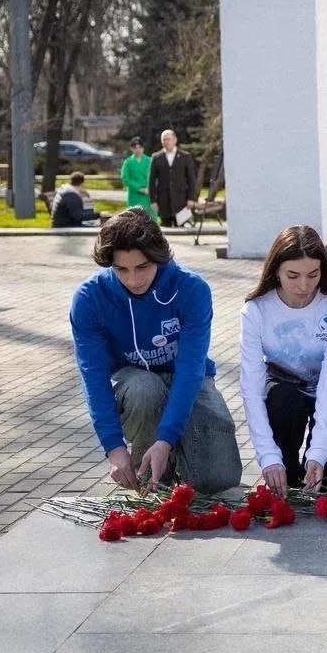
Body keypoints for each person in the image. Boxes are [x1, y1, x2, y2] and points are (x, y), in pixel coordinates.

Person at [70, 207, 242, 494]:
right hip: (135, 381)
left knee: (218, 479)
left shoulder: (192, 289)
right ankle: (149, 472)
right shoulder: (88, 299)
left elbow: (190, 368)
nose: (133, 280)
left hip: (187, 377)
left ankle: (169, 451)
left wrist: (167, 438)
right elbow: (94, 378)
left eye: (143, 267)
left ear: (160, 258)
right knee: (144, 389)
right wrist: (113, 446)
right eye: (121, 269)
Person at [239, 225, 327, 497]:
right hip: (284, 389)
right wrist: (267, 456)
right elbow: (251, 388)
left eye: (312, 275)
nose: (304, 286)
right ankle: (287, 462)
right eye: (293, 275)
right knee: (286, 480)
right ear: (276, 272)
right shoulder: (255, 311)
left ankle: (318, 458)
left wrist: (318, 452)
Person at [149, 129, 197, 227]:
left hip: (181, 202)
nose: (166, 142)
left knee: (181, 230)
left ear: (175, 140)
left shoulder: (185, 156)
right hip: (163, 201)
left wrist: (191, 198)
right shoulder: (156, 157)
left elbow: (191, 179)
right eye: (164, 140)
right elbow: (151, 181)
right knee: (165, 231)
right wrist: (153, 200)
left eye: (168, 139)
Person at [120, 137, 154, 218]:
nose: (138, 150)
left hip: (148, 195)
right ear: (131, 149)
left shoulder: (150, 160)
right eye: (135, 148)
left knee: (150, 219)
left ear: (143, 148)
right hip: (134, 195)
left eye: (140, 147)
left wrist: (149, 188)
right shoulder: (128, 162)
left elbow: (155, 176)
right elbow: (125, 178)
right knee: (134, 219)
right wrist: (139, 188)